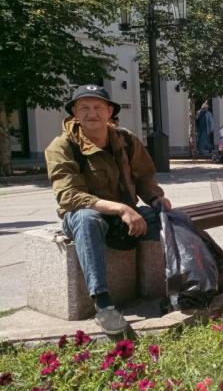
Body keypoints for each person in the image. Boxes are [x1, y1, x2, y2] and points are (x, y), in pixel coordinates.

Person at [45, 85, 177, 335]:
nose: (91, 113)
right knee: (87, 220)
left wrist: (156, 199)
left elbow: (144, 178)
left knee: (171, 218)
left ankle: (180, 286)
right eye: (84, 107)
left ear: (109, 112)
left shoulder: (125, 139)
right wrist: (120, 208)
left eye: (97, 107)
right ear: (74, 112)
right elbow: (69, 196)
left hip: (125, 213)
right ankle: (103, 304)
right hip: (86, 213)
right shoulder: (61, 146)